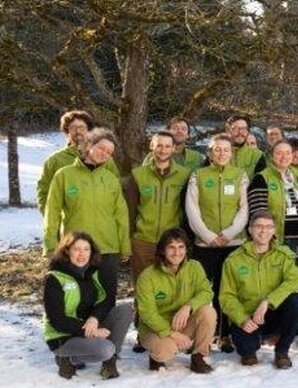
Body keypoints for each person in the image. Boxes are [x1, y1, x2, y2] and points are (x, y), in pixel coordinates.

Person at [44, 128, 129, 302]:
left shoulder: (111, 179)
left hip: (107, 248)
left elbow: (121, 215)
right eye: (101, 148)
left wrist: (124, 246)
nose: (104, 153)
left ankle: (106, 330)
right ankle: (78, 330)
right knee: (77, 299)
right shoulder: (64, 175)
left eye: (109, 152)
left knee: (106, 299)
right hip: (76, 250)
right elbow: (52, 213)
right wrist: (50, 245)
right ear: (89, 145)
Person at [124, 131, 190, 352]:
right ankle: (142, 334)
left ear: (174, 149)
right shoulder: (138, 175)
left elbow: (185, 210)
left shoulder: (184, 175)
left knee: (171, 289)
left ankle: (171, 332)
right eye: (158, 145)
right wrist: (129, 241)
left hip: (171, 244)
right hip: (143, 240)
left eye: (167, 146)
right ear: (151, 147)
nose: (162, 150)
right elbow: (130, 211)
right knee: (143, 289)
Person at [185, 134, 249, 351]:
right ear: (210, 153)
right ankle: (199, 334)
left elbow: (244, 209)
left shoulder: (240, 175)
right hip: (205, 244)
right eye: (217, 149)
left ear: (231, 153)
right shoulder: (198, 175)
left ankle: (224, 334)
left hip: (233, 243)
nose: (222, 153)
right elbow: (192, 209)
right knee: (202, 290)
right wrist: (209, 236)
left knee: (226, 290)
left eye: (226, 149)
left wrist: (229, 233)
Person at [220, 212, 298, 369]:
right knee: (247, 349)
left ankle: (282, 351)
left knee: (295, 301)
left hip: (273, 313)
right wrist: (242, 319)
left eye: (268, 227)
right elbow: (226, 297)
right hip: (248, 317)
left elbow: (295, 281)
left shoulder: (283, 255)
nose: (263, 231)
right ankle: (251, 347)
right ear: (250, 229)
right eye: (259, 226)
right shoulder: (234, 260)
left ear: (274, 230)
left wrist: (268, 301)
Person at [43, 232, 132, 380]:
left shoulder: (93, 272)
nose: (82, 254)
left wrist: (95, 318)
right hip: (63, 335)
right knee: (106, 349)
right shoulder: (55, 278)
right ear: (66, 251)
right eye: (76, 249)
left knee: (124, 311)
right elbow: (57, 320)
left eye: (86, 249)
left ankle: (109, 363)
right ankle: (68, 359)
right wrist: (92, 332)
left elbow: (107, 300)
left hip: (88, 326)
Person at [135, 229, 215, 373]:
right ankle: (156, 357)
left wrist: (189, 307)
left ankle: (199, 357)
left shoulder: (194, 267)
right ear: (162, 250)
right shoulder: (147, 276)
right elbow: (147, 314)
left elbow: (206, 292)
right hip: (156, 328)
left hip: (183, 322)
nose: (176, 252)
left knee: (208, 312)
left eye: (181, 247)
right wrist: (172, 333)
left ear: (186, 249)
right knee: (165, 351)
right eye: (171, 247)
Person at [37, 110, 118, 214]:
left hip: (101, 223)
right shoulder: (54, 161)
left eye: (82, 128)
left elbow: (117, 189)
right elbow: (44, 193)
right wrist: (53, 220)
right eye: (73, 128)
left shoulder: (104, 158)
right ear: (67, 132)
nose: (78, 131)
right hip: (68, 225)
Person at [247, 140, 298, 274]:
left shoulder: (297, 176)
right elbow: (258, 213)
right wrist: (270, 239)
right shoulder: (262, 178)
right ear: (271, 156)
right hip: (275, 240)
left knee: (293, 282)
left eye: (287, 153)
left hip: (296, 240)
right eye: (279, 153)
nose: (284, 157)